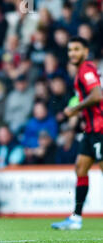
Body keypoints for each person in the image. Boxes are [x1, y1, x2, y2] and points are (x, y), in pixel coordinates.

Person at [51, 36, 103, 230]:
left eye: (76, 49)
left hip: (100, 130)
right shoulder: (81, 71)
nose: (72, 53)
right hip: (90, 131)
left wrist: (75, 109)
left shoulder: (87, 69)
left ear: (86, 51)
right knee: (81, 168)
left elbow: (97, 95)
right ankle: (76, 218)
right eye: (70, 50)